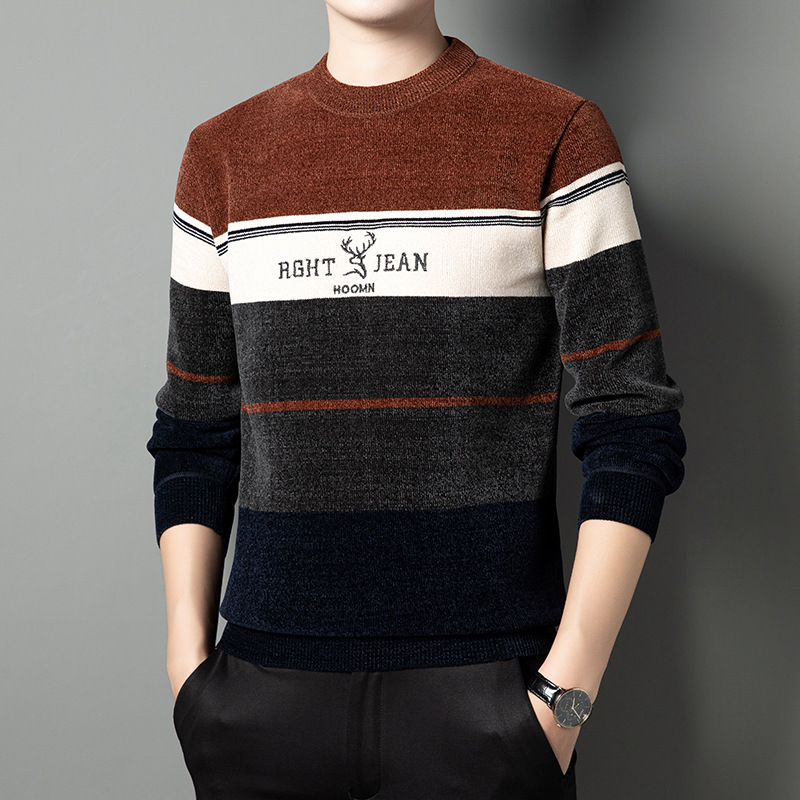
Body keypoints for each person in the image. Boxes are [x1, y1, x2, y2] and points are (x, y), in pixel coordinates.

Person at [146, 1, 687, 798]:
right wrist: (188, 671)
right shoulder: (222, 154)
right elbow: (194, 428)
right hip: (261, 700)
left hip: (489, 701)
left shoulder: (557, 133)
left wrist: (564, 699)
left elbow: (631, 419)